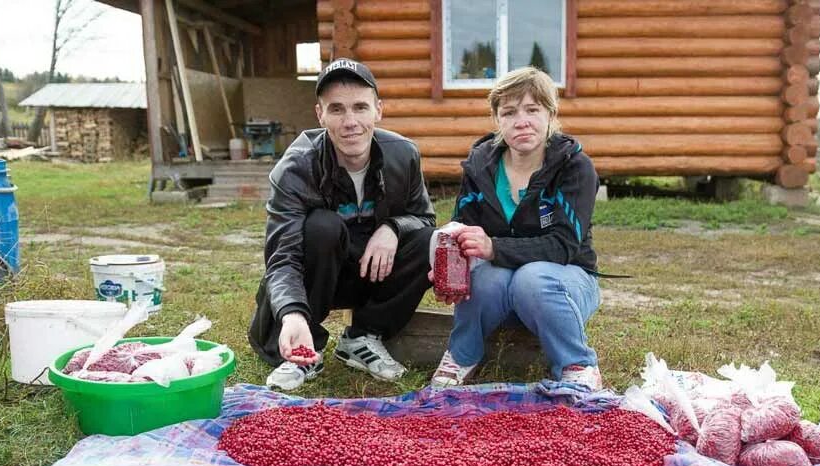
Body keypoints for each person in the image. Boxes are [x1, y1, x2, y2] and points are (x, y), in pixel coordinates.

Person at [249, 58, 435, 389]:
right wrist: (292, 313)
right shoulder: (295, 168)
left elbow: (424, 217)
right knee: (323, 226)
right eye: (337, 110)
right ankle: (304, 344)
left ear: (378, 110)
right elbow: (283, 256)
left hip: (370, 271)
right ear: (320, 115)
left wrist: (392, 228)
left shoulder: (403, 155)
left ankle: (362, 337)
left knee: (428, 239)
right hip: (318, 275)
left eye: (360, 107)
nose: (350, 121)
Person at [430, 66, 602, 390]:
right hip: (502, 291)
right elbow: (462, 228)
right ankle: (461, 356)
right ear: (497, 120)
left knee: (532, 277)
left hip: (564, 283)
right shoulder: (480, 166)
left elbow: (564, 245)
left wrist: (494, 248)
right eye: (509, 112)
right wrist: (447, 268)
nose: (521, 120)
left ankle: (577, 366)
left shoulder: (574, 166)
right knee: (484, 277)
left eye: (532, 109)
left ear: (551, 113)